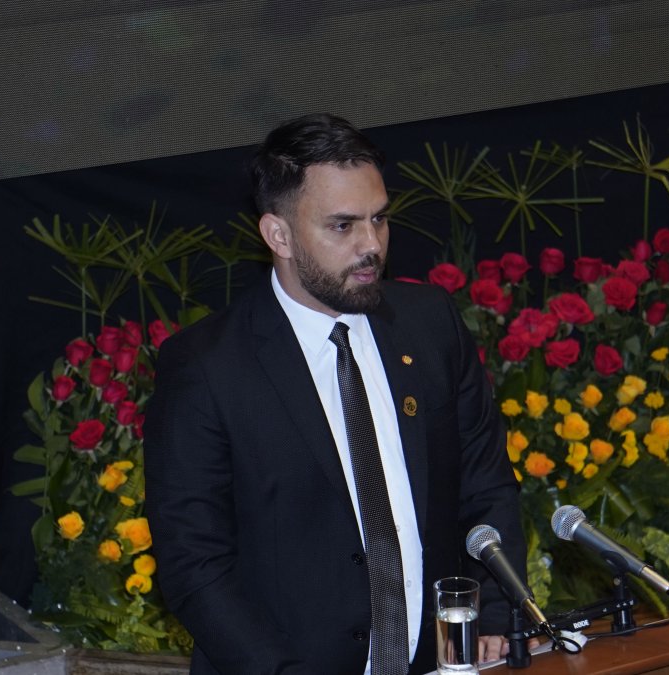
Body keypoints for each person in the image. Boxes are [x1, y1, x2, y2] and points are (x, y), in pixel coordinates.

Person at [144, 113, 526, 674]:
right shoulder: (205, 368)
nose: (371, 245)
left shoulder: (430, 324)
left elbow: (485, 481)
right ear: (279, 235)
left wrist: (494, 611)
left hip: (440, 663)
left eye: (380, 219)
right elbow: (194, 564)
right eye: (343, 226)